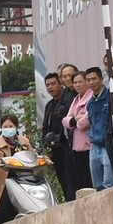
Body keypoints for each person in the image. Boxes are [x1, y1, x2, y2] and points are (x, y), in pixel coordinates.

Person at [80, 67, 113, 191]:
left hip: (107, 145)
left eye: (94, 79)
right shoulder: (90, 102)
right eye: (88, 80)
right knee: (98, 185)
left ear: (101, 79)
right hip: (94, 146)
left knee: (109, 183)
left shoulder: (110, 97)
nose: (92, 82)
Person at [41, 72, 74, 200]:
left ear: (60, 84)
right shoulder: (49, 105)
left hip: (67, 146)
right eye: (47, 85)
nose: (50, 87)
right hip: (55, 150)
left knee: (71, 180)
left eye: (53, 84)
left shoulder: (67, 100)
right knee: (63, 182)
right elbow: (45, 127)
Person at [61, 72, 94, 194]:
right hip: (77, 145)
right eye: (75, 82)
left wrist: (76, 123)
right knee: (81, 180)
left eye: (80, 82)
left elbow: (88, 118)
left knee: (91, 179)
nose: (77, 85)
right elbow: (65, 120)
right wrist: (75, 119)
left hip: (89, 143)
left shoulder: (91, 97)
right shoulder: (76, 99)